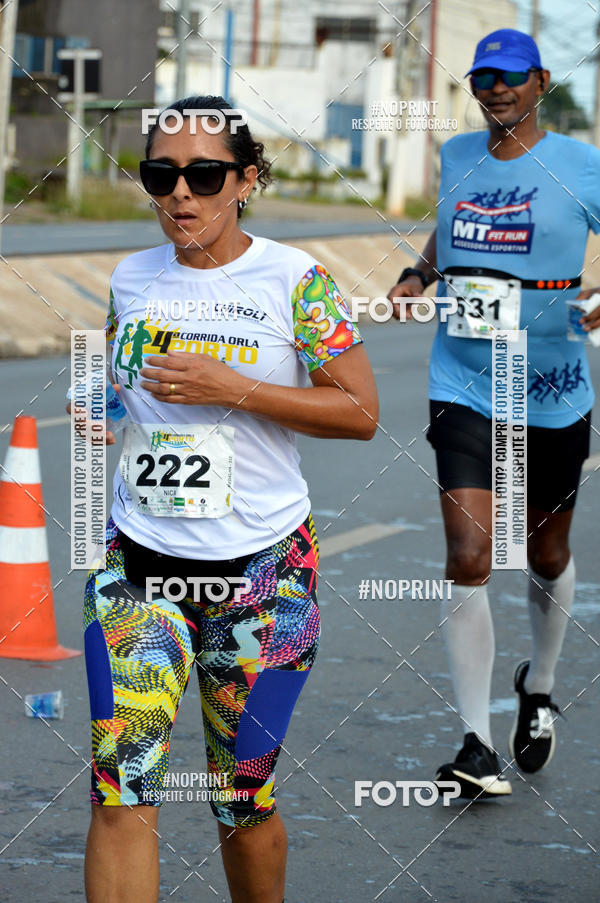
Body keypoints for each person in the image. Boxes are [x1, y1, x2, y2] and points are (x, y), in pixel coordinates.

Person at [79, 95, 378, 903]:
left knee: (241, 799)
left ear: (245, 180)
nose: (181, 194)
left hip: (265, 577)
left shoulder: (295, 281)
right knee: (122, 788)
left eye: (205, 175)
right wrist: (103, 415)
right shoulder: (130, 277)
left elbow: (359, 412)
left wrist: (236, 388)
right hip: (141, 570)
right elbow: (123, 385)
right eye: (161, 175)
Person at [387, 29, 600, 798]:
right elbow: (450, 233)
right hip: (466, 381)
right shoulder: (455, 157)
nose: (496, 89)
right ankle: (476, 741)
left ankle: (538, 686)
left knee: (545, 552)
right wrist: (419, 271)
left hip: (551, 388)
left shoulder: (581, 164)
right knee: (471, 552)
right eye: (483, 77)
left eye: (510, 78)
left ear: (541, 81)